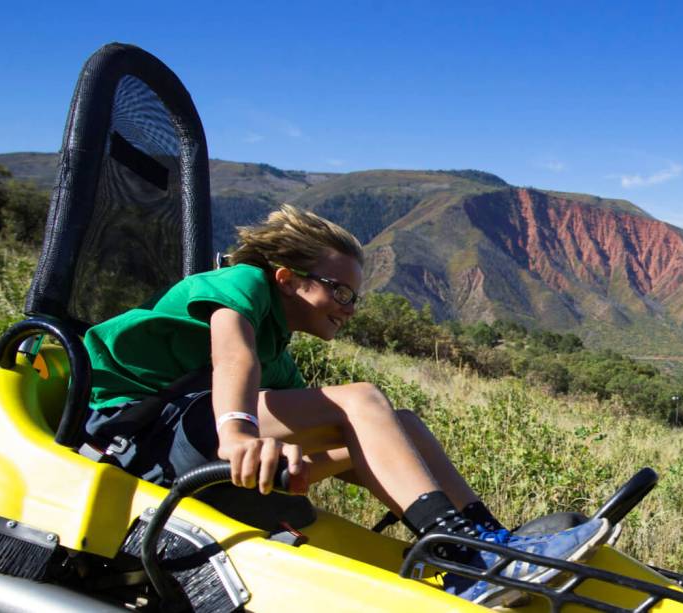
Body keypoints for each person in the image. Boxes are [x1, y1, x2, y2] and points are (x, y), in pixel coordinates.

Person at [81, 204, 610, 605]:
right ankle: (465, 557)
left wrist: (316, 464)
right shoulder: (241, 286)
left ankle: (491, 545)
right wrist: (239, 436)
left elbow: (340, 448)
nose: (349, 309)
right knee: (359, 399)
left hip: (184, 435)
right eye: (341, 292)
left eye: (354, 298)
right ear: (288, 278)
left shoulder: (278, 351)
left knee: (397, 424)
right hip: (133, 432)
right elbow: (232, 359)